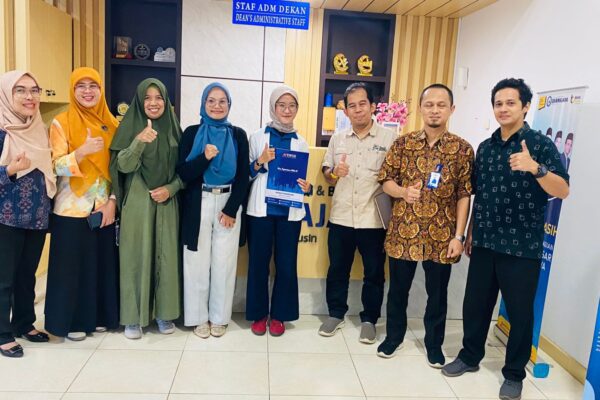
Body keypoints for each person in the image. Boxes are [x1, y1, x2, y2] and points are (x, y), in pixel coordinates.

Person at [442, 78, 570, 400]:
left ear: (525, 107)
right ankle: (470, 356)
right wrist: (470, 230)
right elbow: (480, 194)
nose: (503, 109)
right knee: (475, 306)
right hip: (485, 241)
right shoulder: (485, 147)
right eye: (498, 103)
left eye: (510, 103)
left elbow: (563, 190)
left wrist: (535, 168)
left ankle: (513, 374)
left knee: (520, 313)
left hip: (521, 246)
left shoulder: (539, 145)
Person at [376, 84, 474, 367]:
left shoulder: (462, 149)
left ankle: (434, 344)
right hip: (403, 232)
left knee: (438, 296)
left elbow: (464, 194)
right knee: (397, 291)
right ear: (420, 108)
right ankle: (393, 337)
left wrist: (459, 236)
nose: (434, 110)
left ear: (451, 109)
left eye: (441, 105)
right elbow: (385, 180)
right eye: (429, 104)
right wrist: (402, 192)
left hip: (442, 235)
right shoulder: (403, 144)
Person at [44, 67, 119, 341]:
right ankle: (71, 321)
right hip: (70, 208)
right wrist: (81, 152)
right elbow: (54, 166)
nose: (88, 91)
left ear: (101, 90)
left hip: (103, 208)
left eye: (93, 86)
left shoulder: (112, 124)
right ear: (73, 90)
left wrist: (113, 201)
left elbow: (119, 170)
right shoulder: (61, 122)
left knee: (99, 264)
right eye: (81, 86)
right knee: (70, 268)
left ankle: (98, 316)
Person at [318, 82, 396, 343]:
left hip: (372, 219)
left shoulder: (389, 139)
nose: (358, 109)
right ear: (346, 111)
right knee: (337, 269)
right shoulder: (338, 138)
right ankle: (335, 314)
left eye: (363, 104)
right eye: (352, 106)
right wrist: (333, 173)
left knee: (374, 273)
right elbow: (326, 171)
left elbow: (395, 177)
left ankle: (369, 320)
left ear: (372, 106)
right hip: (341, 217)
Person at [109, 78, 183, 339]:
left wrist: (171, 188)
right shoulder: (130, 127)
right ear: (139, 102)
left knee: (166, 256)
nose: (153, 103)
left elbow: (185, 170)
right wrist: (139, 141)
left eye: (159, 97)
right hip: (138, 199)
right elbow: (123, 166)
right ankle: (133, 317)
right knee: (135, 257)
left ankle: (164, 313)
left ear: (166, 101)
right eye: (147, 98)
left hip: (167, 201)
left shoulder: (174, 129)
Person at [177, 83, 249, 338]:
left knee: (224, 263)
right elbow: (183, 173)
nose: (217, 106)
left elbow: (243, 175)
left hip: (228, 203)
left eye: (222, 101)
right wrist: (204, 158)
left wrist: (231, 209)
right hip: (198, 202)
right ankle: (198, 317)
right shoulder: (191, 133)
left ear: (229, 105)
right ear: (203, 104)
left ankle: (219, 317)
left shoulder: (238, 135)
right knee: (196, 262)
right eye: (211, 101)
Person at [246, 85, 312, 337]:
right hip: (260, 213)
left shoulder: (301, 142)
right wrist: (260, 162)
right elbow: (246, 175)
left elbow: (301, 178)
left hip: (289, 214)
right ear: (273, 108)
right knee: (258, 264)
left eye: (292, 106)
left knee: (286, 265)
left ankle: (279, 315)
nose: (286, 110)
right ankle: (259, 314)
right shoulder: (257, 137)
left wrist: (306, 186)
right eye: (282, 105)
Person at [0, 70, 56, 357]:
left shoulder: (40, 128)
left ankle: (24, 323)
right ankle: (2, 333)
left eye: (34, 90)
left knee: (27, 275)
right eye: (20, 90)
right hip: (5, 217)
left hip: (37, 215)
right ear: (7, 95)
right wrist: (9, 169)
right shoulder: (2, 130)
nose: (29, 96)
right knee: (4, 279)